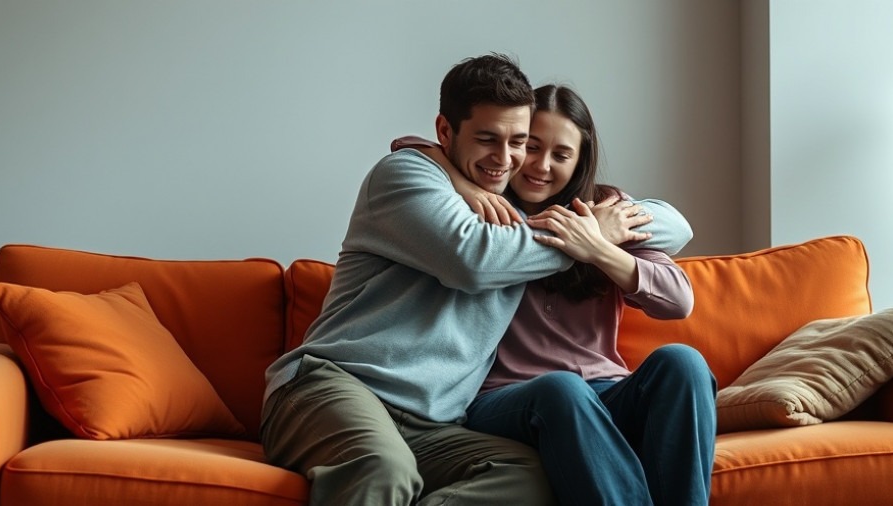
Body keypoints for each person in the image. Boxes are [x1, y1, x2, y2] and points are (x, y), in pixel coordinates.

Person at [261, 53, 571, 506]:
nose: (505, 159)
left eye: (519, 142)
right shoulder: (406, 174)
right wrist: (585, 240)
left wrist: (597, 229)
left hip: (433, 424)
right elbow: (472, 260)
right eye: (487, 139)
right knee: (383, 467)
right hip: (331, 388)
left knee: (528, 475)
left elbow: (668, 224)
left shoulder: (525, 214)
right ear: (445, 131)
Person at [397, 84, 717, 505]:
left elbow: (679, 299)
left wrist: (598, 247)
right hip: (505, 400)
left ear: (580, 161)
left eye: (562, 155)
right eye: (530, 146)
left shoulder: (601, 213)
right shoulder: (481, 214)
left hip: (605, 392)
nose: (542, 166)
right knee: (561, 389)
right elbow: (407, 147)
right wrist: (465, 184)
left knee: (684, 362)